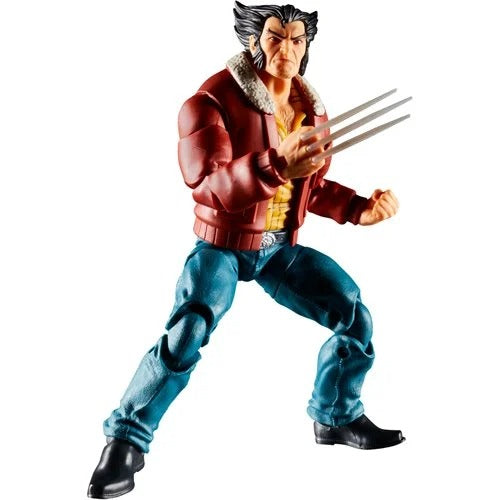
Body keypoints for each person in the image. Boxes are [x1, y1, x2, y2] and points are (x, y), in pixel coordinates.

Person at [88, 2, 405, 498]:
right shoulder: (209, 102)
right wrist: (275, 164)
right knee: (188, 330)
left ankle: (336, 415)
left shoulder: (309, 108)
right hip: (223, 244)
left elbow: (309, 187)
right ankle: (125, 442)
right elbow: (208, 184)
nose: (287, 49)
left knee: (353, 314)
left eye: (297, 38)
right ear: (254, 40)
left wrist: (358, 208)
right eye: (276, 36)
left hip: (281, 249)